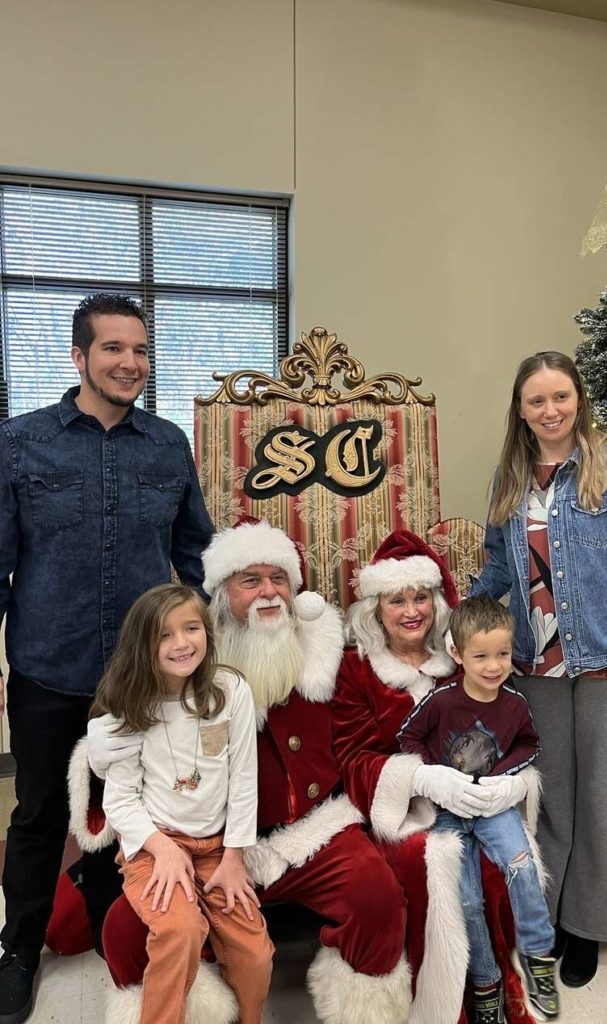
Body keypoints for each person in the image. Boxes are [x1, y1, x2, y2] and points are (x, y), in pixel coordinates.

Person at [73, 520, 411, 1024]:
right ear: (221, 594)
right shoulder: (191, 668)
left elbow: (376, 724)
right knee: (123, 930)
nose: (268, 591)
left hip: (312, 834)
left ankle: (366, 1011)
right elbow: (127, 740)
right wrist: (102, 744)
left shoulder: (326, 657)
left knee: (377, 896)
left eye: (278, 578)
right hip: (206, 841)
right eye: (250, 580)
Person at [0, 294, 214, 1024]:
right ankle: (20, 948)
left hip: (142, 677)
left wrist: (205, 646)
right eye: (115, 349)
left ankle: (108, 926)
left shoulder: (167, 445)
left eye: (141, 351)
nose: (131, 363)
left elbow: (194, 553)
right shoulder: (21, 443)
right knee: (39, 813)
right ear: (78, 357)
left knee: (135, 808)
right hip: (46, 668)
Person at [469, 351, 607, 987]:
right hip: (534, 667)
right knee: (552, 800)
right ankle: (549, 917)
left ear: (577, 400)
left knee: (605, 798)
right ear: (521, 411)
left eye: (560, 397)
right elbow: (500, 567)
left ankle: (589, 925)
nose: (550, 410)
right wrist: (459, 608)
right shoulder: (510, 477)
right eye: (536, 401)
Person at [333, 530, 541, 1024]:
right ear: (376, 608)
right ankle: (449, 1005)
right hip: (399, 811)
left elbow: (507, 729)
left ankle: (497, 983)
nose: (412, 610)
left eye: (421, 597)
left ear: (436, 601)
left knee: (499, 859)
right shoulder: (358, 670)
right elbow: (351, 757)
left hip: (470, 800)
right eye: (397, 599)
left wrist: (514, 781)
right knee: (430, 860)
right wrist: (420, 780)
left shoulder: (461, 660)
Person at [93, 583, 273, 1024]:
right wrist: (163, 849)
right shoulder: (129, 706)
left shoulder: (230, 690)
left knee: (255, 952)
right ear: (143, 645)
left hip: (217, 849)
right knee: (180, 930)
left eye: (191, 628)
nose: (181, 643)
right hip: (155, 847)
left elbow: (244, 781)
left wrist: (234, 856)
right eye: (165, 635)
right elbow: (119, 801)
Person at [398, 596, 558, 1024]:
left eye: (503, 654)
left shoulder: (514, 704)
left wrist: (504, 780)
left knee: (522, 867)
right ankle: (485, 981)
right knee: (467, 900)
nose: (494, 666)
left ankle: (538, 962)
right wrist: (436, 779)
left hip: (492, 806)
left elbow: (529, 743)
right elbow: (408, 738)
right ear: (457, 654)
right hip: (449, 811)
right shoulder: (442, 701)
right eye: (481, 656)